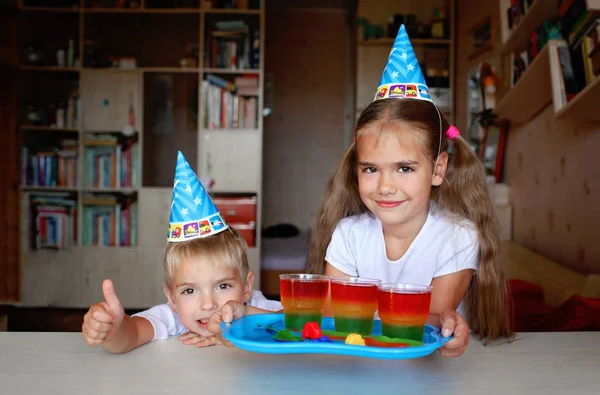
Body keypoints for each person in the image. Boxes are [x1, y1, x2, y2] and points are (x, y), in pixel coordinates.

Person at [305, 25, 512, 357]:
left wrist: (357, 314)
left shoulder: (457, 236)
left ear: (438, 169)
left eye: (404, 168)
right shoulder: (349, 235)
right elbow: (332, 317)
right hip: (364, 367)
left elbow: (427, 325)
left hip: (437, 372)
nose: (385, 186)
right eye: (371, 169)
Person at [82, 152, 281, 353]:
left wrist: (247, 320)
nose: (208, 304)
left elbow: (302, 325)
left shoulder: (255, 305)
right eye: (189, 290)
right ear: (172, 298)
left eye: (223, 285)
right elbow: (131, 335)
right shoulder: (173, 317)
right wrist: (113, 330)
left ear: (246, 287)